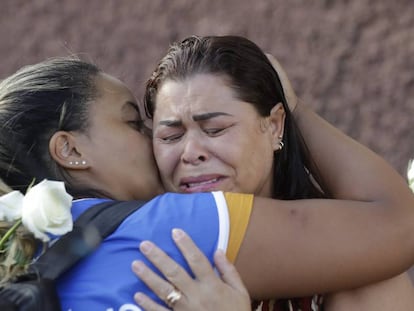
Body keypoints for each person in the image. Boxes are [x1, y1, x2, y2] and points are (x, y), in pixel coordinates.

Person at [0, 56, 413, 310]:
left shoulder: (19, 264)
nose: (158, 145)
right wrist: (295, 108)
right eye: (133, 124)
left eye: (214, 128)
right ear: (69, 151)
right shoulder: (167, 229)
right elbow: (396, 225)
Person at [138, 35, 414, 310]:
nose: (190, 152)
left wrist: (297, 112)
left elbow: (397, 219)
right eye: (171, 136)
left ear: (274, 126)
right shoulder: (142, 257)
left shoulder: (362, 268)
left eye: (215, 129)